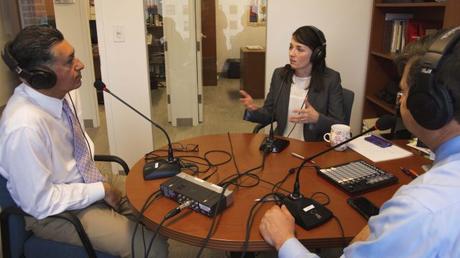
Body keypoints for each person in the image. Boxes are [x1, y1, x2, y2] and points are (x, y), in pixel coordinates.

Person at [258, 27, 460, 257]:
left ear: (428, 106)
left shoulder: (419, 208)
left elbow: (339, 121)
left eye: (403, 92)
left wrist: (284, 240)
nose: (400, 100)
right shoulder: (280, 75)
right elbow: (269, 111)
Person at [0, 25, 168, 258]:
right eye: (69, 62)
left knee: (163, 207)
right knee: (153, 249)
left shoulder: (66, 91)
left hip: (86, 179)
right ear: (41, 76)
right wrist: (100, 191)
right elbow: (39, 202)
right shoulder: (24, 126)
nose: (80, 64)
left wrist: (99, 187)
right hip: (55, 211)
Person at [240, 25, 345, 141]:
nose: (292, 53)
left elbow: (340, 126)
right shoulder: (280, 75)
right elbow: (270, 113)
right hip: (282, 145)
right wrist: (254, 110)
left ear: (317, 54)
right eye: (291, 47)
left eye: (299, 49)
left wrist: (317, 118)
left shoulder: (331, 80)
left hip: (312, 149)